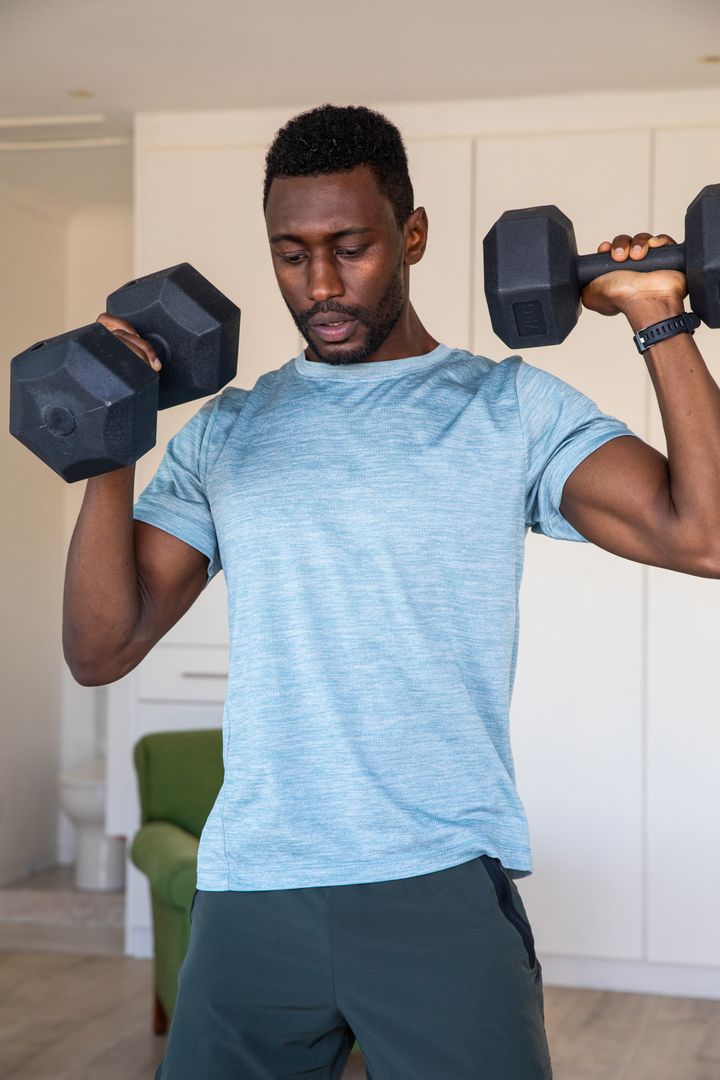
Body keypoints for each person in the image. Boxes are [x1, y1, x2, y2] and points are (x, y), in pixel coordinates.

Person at [63, 103, 720, 1080]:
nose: (320, 284)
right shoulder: (225, 434)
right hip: (255, 888)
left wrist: (658, 315)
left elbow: (703, 537)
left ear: (411, 235)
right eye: (291, 254)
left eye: (351, 247)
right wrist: (108, 444)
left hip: (438, 886)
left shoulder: (510, 410)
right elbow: (101, 649)